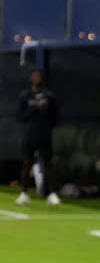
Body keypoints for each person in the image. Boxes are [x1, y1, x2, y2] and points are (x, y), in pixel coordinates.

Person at [15, 68, 60, 206]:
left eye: (39, 76)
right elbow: (19, 116)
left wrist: (46, 123)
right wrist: (33, 109)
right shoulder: (25, 96)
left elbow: (55, 117)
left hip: (44, 134)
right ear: (31, 79)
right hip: (29, 134)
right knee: (26, 163)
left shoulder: (49, 96)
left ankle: (51, 193)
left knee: (47, 165)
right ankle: (24, 193)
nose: (36, 79)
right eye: (34, 76)